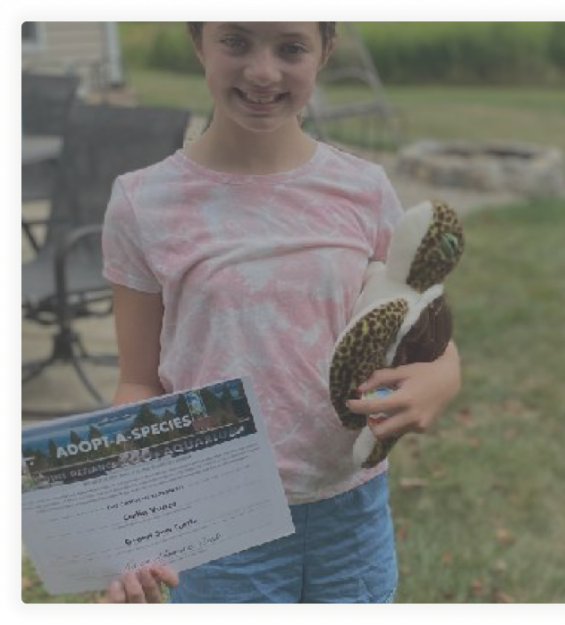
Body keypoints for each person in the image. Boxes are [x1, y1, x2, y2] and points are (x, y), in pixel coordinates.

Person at [101, 20, 461, 604]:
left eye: (291, 47)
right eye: (236, 42)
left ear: (326, 52)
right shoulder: (143, 203)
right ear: (198, 42)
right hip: (216, 520)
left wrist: (443, 377)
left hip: (351, 510)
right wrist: (130, 522)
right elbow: (138, 380)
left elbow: (420, 322)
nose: (263, 71)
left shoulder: (363, 188)